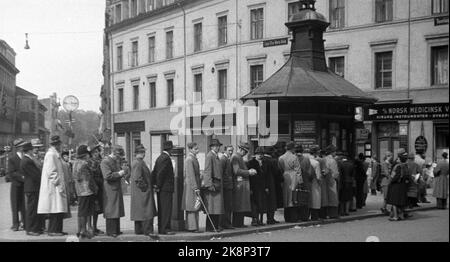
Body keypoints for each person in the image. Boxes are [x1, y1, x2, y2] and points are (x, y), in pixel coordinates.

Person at [37, 135, 69, 236]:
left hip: (56, 185)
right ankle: (53, 230)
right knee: (55, 209)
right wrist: (58, 183)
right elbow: (51, 171)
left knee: (58, 209)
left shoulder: (55, 154)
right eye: (59, 144)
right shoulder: (51, 155)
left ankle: (58, 229)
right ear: (57, 145)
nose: (60, 146)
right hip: (54, 187)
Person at [100, 145, 128, 237]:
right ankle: (111, 231)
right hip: (110, 188)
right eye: (118, 155)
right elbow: (107, 176)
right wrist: (120, 173)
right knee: (111, 209)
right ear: (115, 154)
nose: (119, 158)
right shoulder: (105, 162)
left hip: (115, 188)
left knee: (116, 209)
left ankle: (116, 229)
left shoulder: (114, 161)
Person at [130, 145, 157, 236]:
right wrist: (145, 188)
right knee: (146, 211)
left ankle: (139, 230)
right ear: (138, 153)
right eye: (142, 152)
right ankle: (148, 230)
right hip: (143, 191)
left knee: (139, 211)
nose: (144, 154)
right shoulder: (139, 163)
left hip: (139, 192)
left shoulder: (137, 162)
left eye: (144, 152)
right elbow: (138, 178)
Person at [73, 145, 98, 239]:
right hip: (86, 190)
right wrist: (95, 188)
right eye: (88, 154)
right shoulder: (84, 164)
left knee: (82, 211)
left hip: (80, 190)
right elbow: (91, 175)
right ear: (84, 155)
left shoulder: (76, 163)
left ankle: (80, 230)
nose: (89, 155)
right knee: (85, 211)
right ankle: (84, 230)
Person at [152, 141, 176, 235]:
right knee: (166, 209)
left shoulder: (160, 157)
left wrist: (155, 184)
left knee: (162, 208)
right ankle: (165, 228)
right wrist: (158, 185)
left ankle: (162, 228)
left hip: (162, 187)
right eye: (172, 149)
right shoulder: (166, 158)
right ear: (170, 149)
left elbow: (155, 171)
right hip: (165, 188)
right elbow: (161, 173)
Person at [231, 142, 256, 227]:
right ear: (241, 149)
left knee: (241, 204)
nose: (245, 153)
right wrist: (249, 172)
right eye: (245, 151)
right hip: (239, 184)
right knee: (239, 204)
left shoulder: (239, 157)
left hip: (241, 184)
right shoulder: (235, 157)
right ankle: (237, 223)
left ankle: (239, 223)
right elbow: (236, 171)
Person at [20, 141, 43, 236]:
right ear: (29, 150)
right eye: (32, 149)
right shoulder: (27, 161)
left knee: (33, 208)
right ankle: (31, 229)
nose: (33, 150)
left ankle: (35, 228)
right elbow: (35, 175)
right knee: (31, 209)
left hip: (31, 188)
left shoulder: (27, 159)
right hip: (32, 188)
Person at [202, 139, 225, 232]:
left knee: (216, 207)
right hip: (213, 184)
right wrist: (209, 184)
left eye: (218, 146)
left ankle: (214, 226)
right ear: (211, 147)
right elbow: (207, 171)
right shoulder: (210, 156)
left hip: (217, 183)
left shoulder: (215, 156)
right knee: (212, 208)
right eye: (215, 146)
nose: (218, 147)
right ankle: (210, 227)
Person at [278, 141, 303, 222]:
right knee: (293, 198)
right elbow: (298, 170)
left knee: (286, 197)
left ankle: (287, 217)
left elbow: (280, 169)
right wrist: (300, 181)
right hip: (293, 177)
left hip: (285, 177)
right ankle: (293, 217)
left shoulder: (281, 157)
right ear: (292, 148)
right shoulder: (294, 157)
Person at [181, 142, 202, 233]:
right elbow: (191, 175)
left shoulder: (193, 158)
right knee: (192, 206)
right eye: (195, 148)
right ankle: (192, 227)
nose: (197, 150)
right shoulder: (189, 159)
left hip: (193, 185)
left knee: (195, 205)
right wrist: (195, 187)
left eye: (197, 148)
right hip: (191, 187)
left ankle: (193, 226)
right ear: (190, 149)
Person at [7, 138, 27, 231]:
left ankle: (25, 223)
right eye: (22, 145)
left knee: (24, 205)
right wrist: (22, 177)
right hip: (16, 185)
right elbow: (12, 173)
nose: (23, 147)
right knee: (15, 205)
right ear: (18, 147)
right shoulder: (12, 158)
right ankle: (15, 224)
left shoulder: (25, 157)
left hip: (25, 185)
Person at [247, 147, 270, 226]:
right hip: (254, 186)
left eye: (261, 154)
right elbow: (249, 177)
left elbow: (266, 176)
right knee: (254, 204)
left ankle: (260, 220)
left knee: (262, 204)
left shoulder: (265, 163)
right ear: (255, 155)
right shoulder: (251, 163)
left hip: (262, 186)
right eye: (258, 154)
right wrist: (250, 188)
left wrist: (266, 187)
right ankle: (254, 220)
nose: (260, 156)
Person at [386, 149, 411, 221]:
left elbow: (394, 177)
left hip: (396, 185)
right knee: (401, 201)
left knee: (394, 202)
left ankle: (395, 216)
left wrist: (390, 181)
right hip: (403, 185)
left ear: (399, 158)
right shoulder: (406, 166)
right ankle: (402, 215)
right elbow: (408, 177)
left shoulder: (397, 166)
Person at [88, 144, 105, 235]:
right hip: (92, 187)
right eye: (94, 152)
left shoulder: (100, 161)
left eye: (97, 151)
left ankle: (95, 227)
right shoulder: (89, 162)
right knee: (92, 209)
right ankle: (90, 228)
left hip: (99, 187)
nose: (96, 153)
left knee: (97, 209)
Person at [295, 144, 313, 221]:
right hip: (305, 181)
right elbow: (310, 172)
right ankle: (304, 216)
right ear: (302, 151)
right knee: (305, 199)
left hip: (295, 181)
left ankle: (297, 216)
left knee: (296, 198)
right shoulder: (306, 159)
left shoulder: (294, 158)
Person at [262, 147, 280, 224]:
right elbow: (277, 172)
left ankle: (259, 219)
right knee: (272, 201)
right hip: (271, 182)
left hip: (261, 183)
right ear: (272, 153)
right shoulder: (273, 161)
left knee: (263, 201)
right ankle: (270, 218)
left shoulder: (261, 160)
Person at [219, 145, 235, 229]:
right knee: (227, 206)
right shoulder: (223, 159)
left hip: (228, 186)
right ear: (225, 150)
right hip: (226, 187)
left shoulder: (227, 159)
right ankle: (225, 224)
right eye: (229, 150)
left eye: (232, 150)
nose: (231, 152)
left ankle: (227, 223)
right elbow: (220, 174)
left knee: (228, 206)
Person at [323, 145, 340, 218]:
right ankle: (333, 214)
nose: (335, 153)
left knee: (325, 196)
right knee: (333, 197)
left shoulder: (323, 159)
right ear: (332, 152)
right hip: (331, 180)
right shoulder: (332, 161)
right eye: (335, 151)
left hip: (324, 180)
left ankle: (325, 213)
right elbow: (335, 173)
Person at [307, 146, 322, 221]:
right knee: (315, 199)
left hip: (306, 183)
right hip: (315, 183)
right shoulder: (316, 162)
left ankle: (307, 215)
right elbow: (318, 176)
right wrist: (320, 184)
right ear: (316, 152)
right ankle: (315, 216)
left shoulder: (306, 160)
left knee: (308, 199)